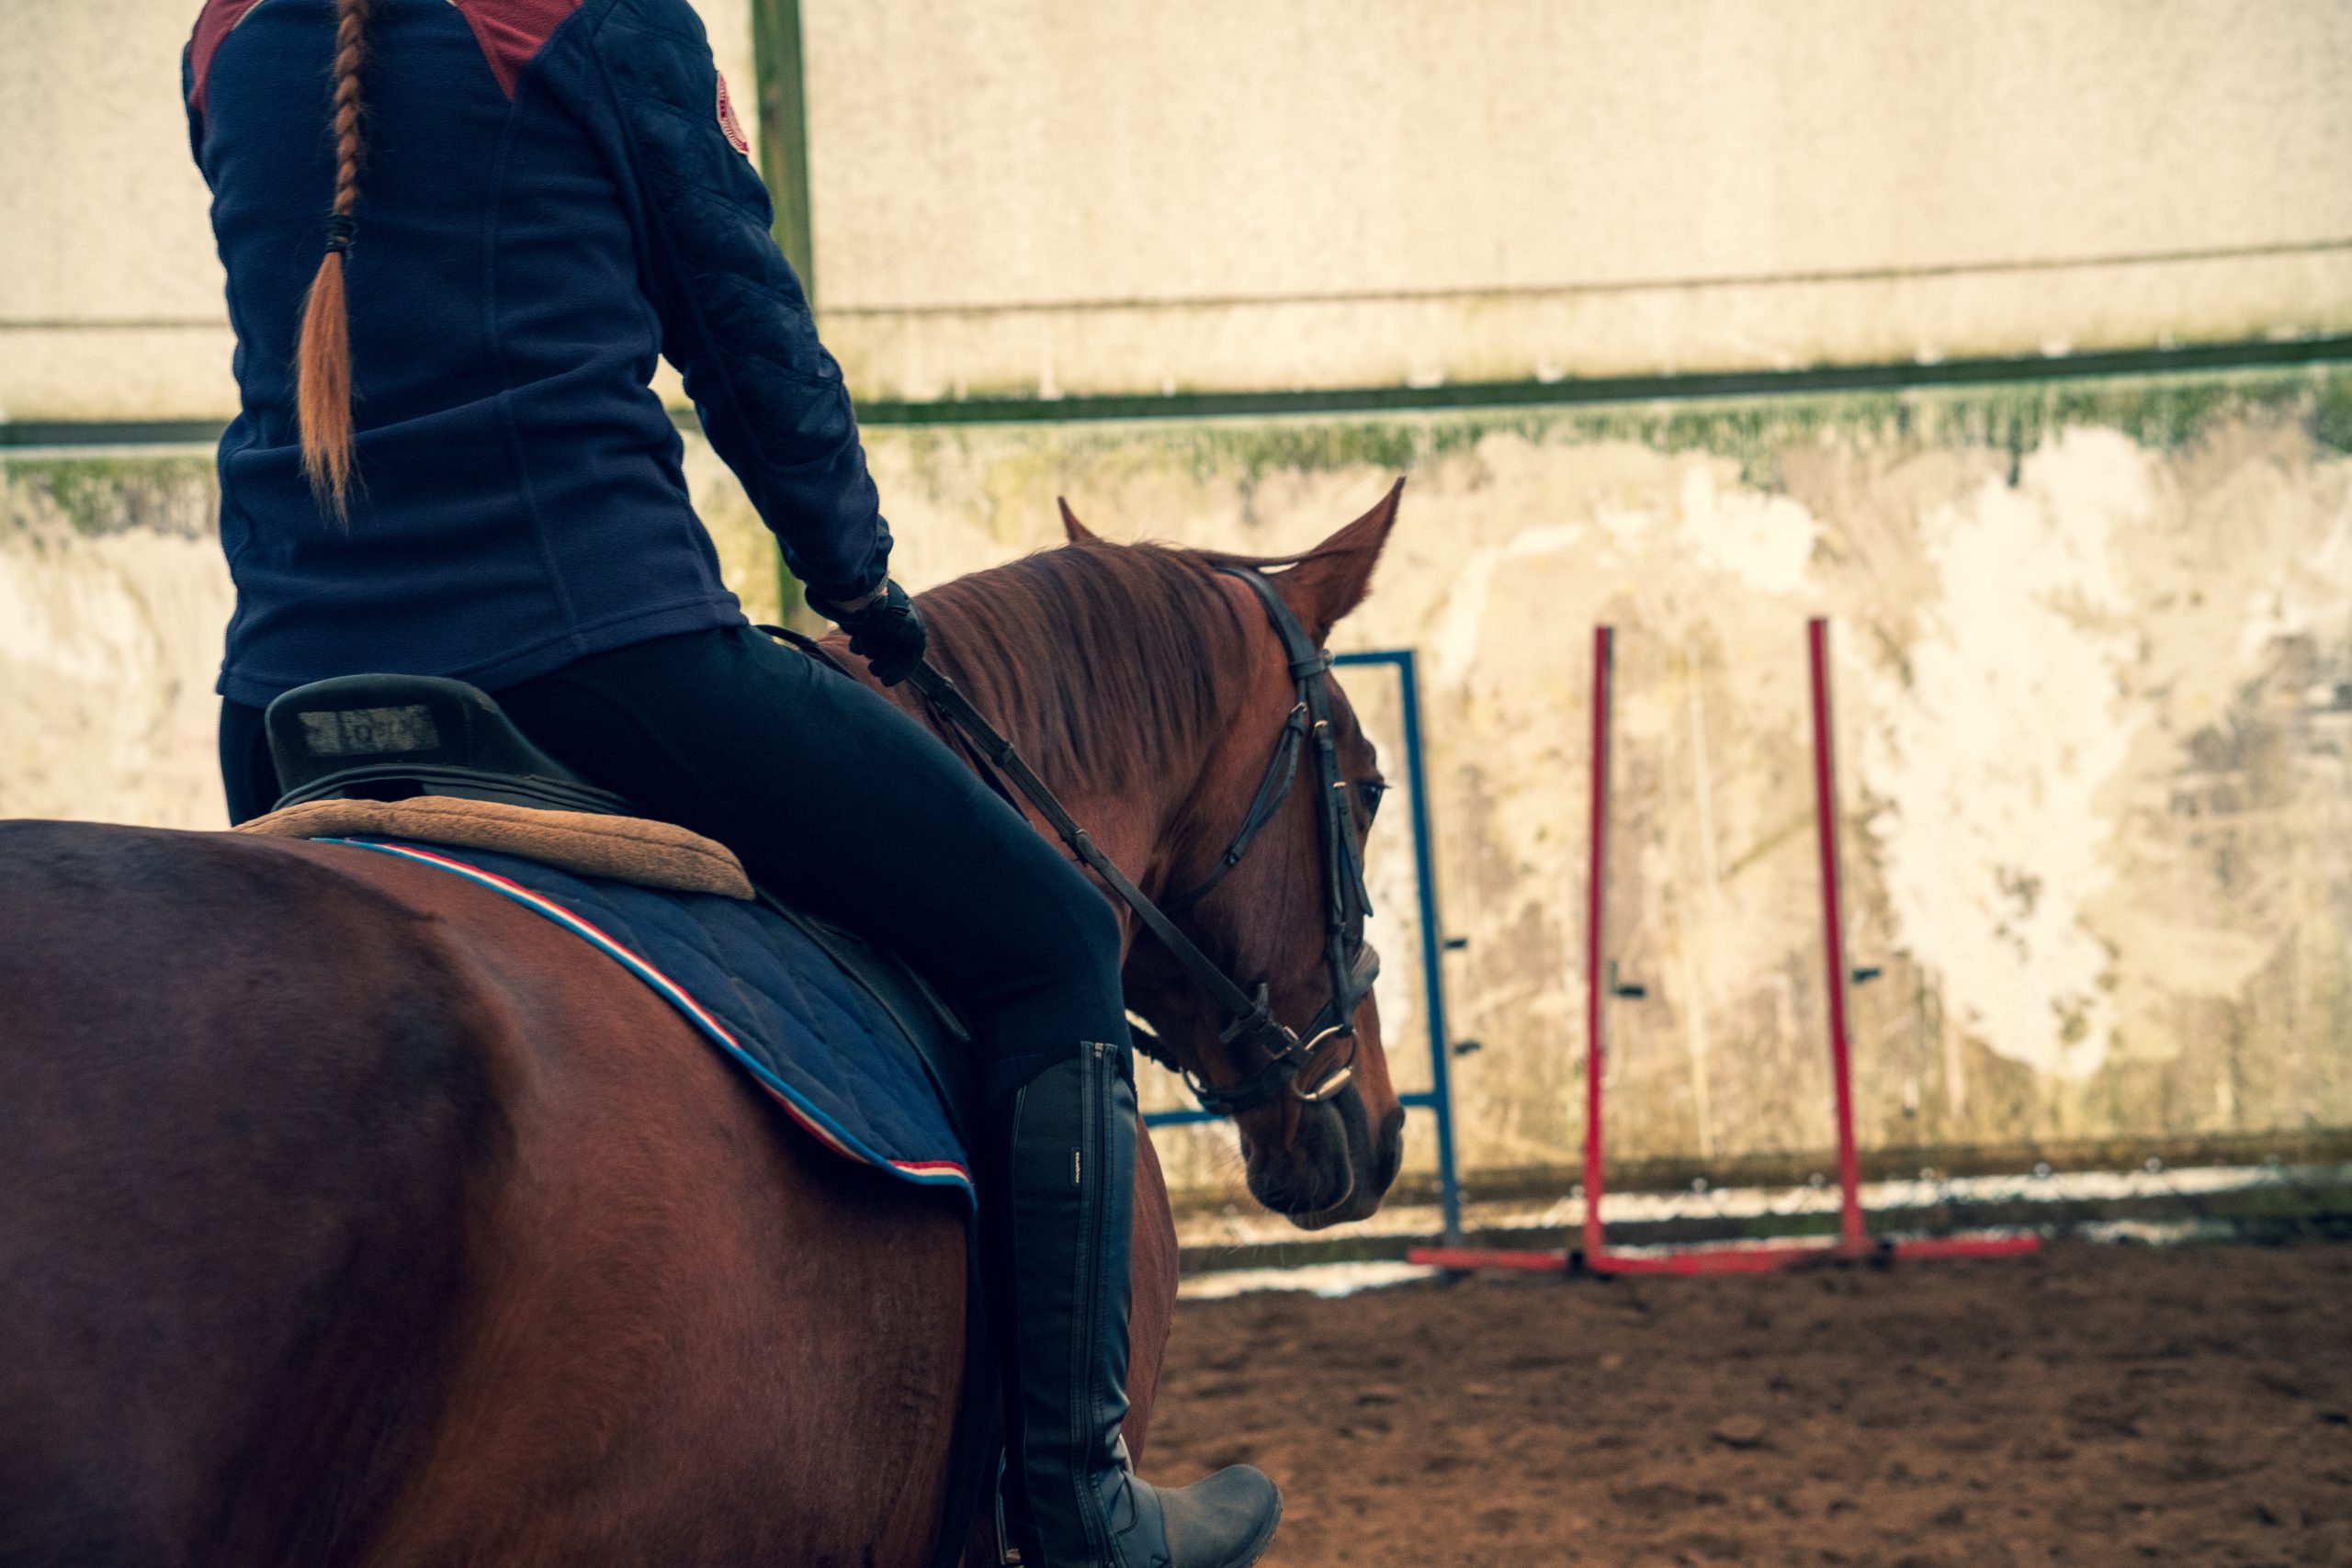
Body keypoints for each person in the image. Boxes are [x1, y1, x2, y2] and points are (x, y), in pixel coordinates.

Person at [182, 2, 1282, 1562]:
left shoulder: (227, 38)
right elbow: (745, 335)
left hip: (283, 699)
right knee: (1047, 941)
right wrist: (868, 589)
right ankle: (1078, 1500)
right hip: (596, 657)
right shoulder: (594, 17)